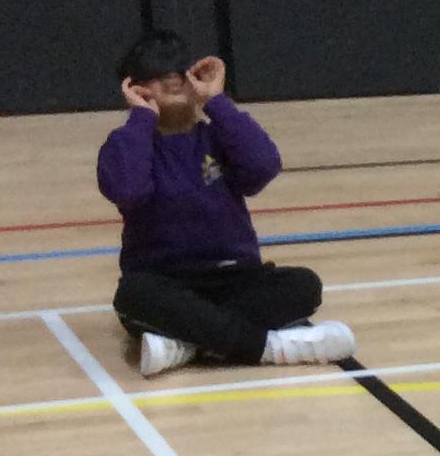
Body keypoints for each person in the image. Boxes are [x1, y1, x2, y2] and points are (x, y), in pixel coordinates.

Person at [96, 32, 353, 377]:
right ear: (135, 87)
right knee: (134, 296)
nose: (173, 80)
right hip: (167, 283)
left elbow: (263, 166)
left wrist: (216, 102)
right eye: (158, 74)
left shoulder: (217, 135)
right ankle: (268, 348)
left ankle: (185, 346)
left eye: (180, 71)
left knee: (304, 285)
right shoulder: (126, 144)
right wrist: (142, 119)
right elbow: (129, 190)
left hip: (236, 279)